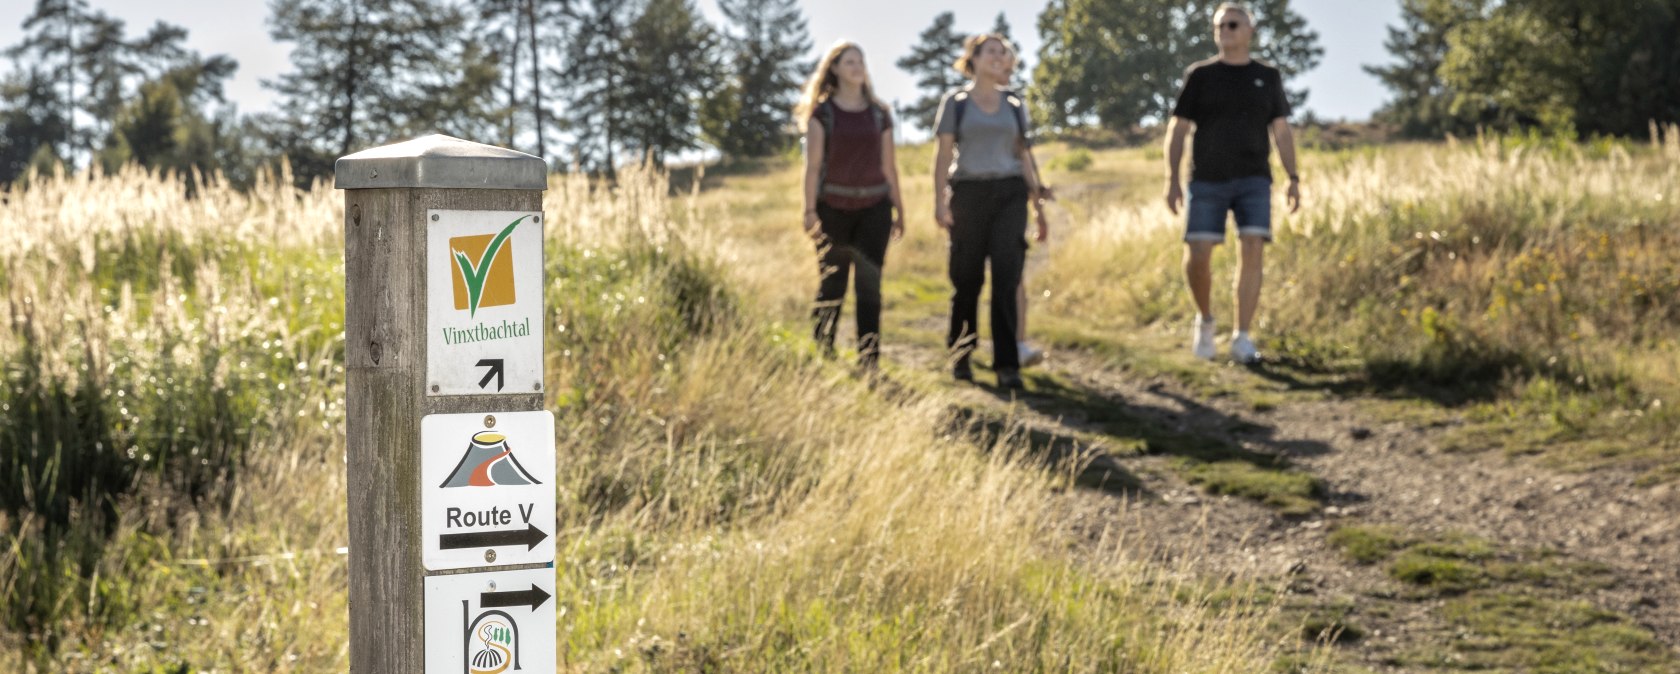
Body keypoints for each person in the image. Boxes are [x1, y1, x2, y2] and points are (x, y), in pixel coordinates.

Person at [1163, 2, 1301, 364]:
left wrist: (1293, 178)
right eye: (1219, 26)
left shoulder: (1267, 76)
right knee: (1198, 254)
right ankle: (1205, 320)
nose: (1225, 31)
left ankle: (1242, 336)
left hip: (1255, 179)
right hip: (1206, 180)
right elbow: (1178, 128)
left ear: (1249, 30)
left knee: (1253, 248)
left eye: (1233, 25)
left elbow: (1282, 131)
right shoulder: (1200, 75)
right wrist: (1172, 179)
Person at [934, 33, 1052, 390]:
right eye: (991, 52)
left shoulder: (1015, 104)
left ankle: (1007, 364)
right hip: (968, 193)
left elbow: (1024, 156)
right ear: (974, 58)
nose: (999, 57)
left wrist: (1038, 207)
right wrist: (939, 201)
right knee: (966, 279)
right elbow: (942, 156)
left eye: (1004, 53)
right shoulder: (955, 103)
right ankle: (962, 355)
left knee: (1006, 276)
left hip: (1010, 194)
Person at [795, 41, 906, 371]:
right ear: (834, 69)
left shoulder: (879, 113)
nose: (858, 67)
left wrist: (899, 209)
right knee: (833, 281)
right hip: (832, 209)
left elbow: (890, 165)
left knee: (870, 286)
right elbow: (813, 167)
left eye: (861, 61)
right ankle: (823, 351)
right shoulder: (823, 114)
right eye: (849, 62)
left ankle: (869, 360)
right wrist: (809, 210)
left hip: (875, 209)